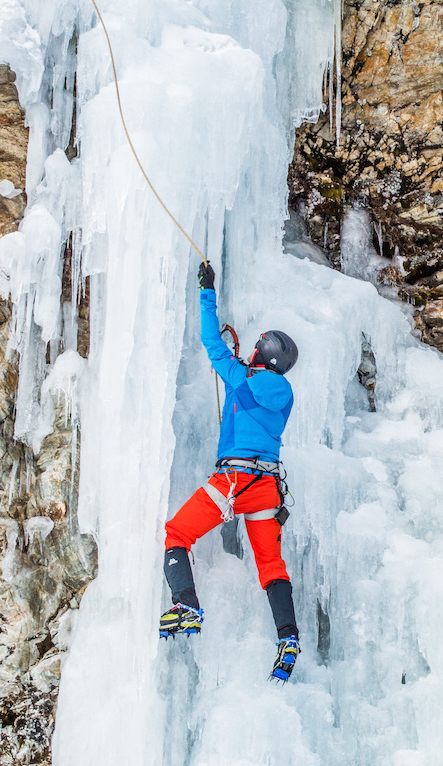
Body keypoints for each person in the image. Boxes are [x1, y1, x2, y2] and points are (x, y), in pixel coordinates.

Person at [159, 260, 302, 683]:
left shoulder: (242, 378)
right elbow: (252, 384)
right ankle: (288, 638)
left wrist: (207, 290)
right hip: (268, 489)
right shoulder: (284, 393)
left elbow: (211, 342)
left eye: (259, 345)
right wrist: (243, 369)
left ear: (263, 353)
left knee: (177, 534)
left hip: (235, 481)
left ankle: (186, 603)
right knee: (271, 566)